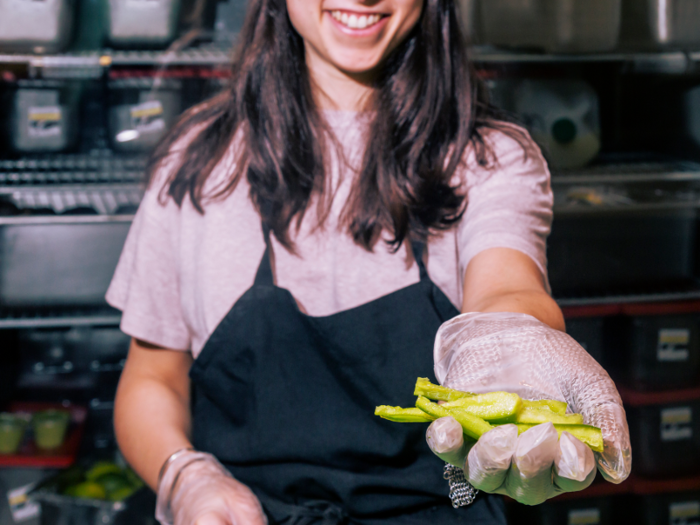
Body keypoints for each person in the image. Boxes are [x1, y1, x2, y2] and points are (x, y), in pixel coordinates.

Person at [109, 0, 632, 524]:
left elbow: (507, 288)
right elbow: (153, 377)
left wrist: (514, 343)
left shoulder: (487, 157)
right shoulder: (200, 159)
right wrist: (186, 477)